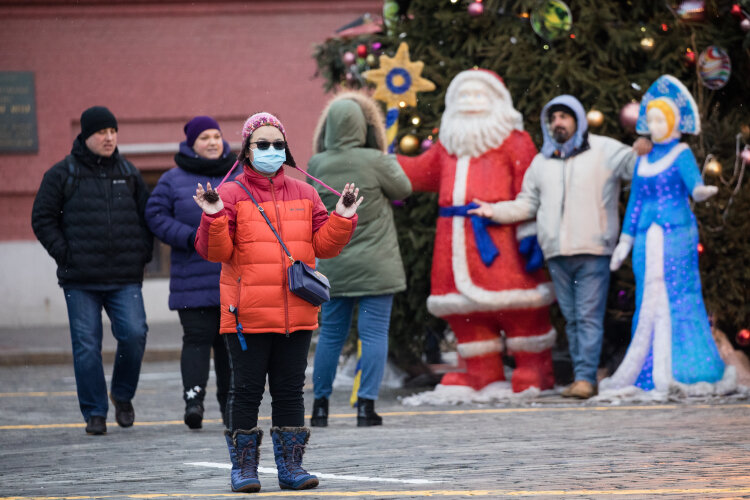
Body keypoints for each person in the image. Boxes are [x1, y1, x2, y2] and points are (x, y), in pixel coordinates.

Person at [193, 112, 361, 493]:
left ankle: (291, 467)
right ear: (247, 151)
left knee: (289, 391)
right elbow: (215, 251)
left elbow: (323, 246)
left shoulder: (306, 192)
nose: (271, 150)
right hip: (246, 315)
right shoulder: (232, 194)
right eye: (263, 144)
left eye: (277, 144)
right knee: (247, 391)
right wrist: (214, 216)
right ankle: (244, 470)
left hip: (296, 312)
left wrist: (343, 217)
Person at [469, 95, 651, 399]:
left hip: (593, 251)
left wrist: (645, 147)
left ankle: (585, 379)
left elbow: (637, 166)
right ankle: (584, 376)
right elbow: (527, 204)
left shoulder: (604, 149)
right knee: (574, 319)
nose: (558, 123)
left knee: (588, 316)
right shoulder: (542, 163)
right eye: (553, 118)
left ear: (577, 120)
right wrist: (494, 211)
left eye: (564, 117)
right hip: (557, 255)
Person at [396, 69, 557, 397]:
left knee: (521, 311)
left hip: (502, 240)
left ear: (498, 102)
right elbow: (420, 173)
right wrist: (385, 163)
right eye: (464, 96)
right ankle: (481, 370)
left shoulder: (515, 142)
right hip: (454, 241)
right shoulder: (447, 146)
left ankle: (533, 365)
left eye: (478, 95)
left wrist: (529, 234)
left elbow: (531, 188)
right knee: (467, 315)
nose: (470, 103)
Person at [602, 75, 732, 395]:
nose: (655, 125)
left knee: (679, 293)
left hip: (677, 233)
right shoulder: (643, 157)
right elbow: (635, 201)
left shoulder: (682, 152)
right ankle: (646, 367)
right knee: (648, 296)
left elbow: (694, 185)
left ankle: (686, 366)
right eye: (652, 119)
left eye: (662, 119)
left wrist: (701, 192)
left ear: (673, 122)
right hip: (647, 238)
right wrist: (625, 240)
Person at [31, 106, 152, 435]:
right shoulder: (62, 174)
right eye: (102, 132)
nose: (109, 137)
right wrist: (64, 253)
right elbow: (42, 218)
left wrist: (143, 252)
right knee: (86, 345)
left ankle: (122, 395)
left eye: (113, 131)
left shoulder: (128, 172)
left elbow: (147, 217)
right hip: (80, 278)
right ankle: (95, 412)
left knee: (135, 334)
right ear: (85, 136)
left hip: (124, 276)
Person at [307, 92, 412, 427]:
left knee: (331, 335)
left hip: (334, 265)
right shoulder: (376, 160)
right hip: (376, 266)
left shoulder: (317, 163)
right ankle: (366, 407)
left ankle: (320, 407)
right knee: (374, 334)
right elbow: (404, 189)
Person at [145, 116, 235, 429]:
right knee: (196, 338)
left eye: (216, 136)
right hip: (191, 277)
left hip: (231, 276)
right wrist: (189, 237)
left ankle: (231, 406)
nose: (212, 142)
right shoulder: (172, 179)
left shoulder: (237, 175)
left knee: (229, 344)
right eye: (204, 138)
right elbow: (155, 215)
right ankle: (193, 400)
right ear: (191, 144)